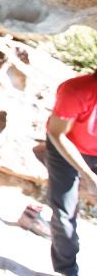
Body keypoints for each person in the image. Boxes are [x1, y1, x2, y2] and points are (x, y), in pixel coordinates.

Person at [45, 71, 97, 276]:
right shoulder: (76, 90)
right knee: (64, 213)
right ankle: (67, 271)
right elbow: (58, 134)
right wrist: (89, 175)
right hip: (65, 146)